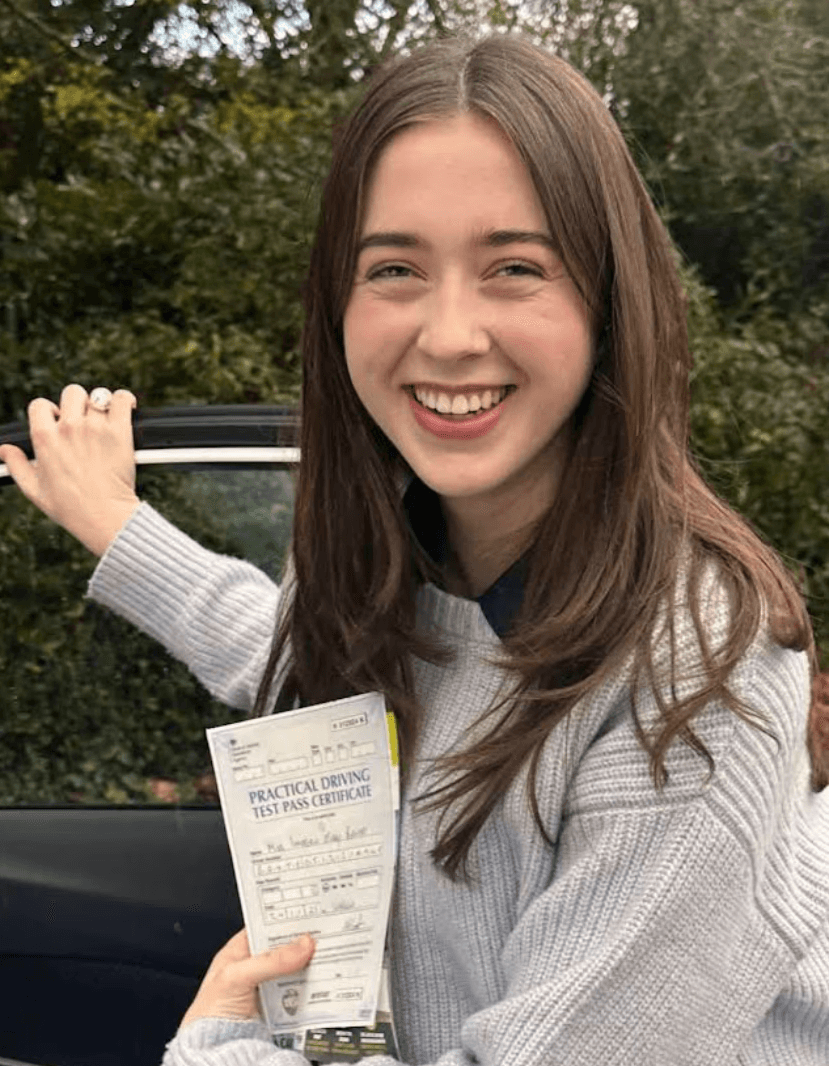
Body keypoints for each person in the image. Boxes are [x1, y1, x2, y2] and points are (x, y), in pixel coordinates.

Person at [1, 31, 828, 1066]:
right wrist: (115, 524)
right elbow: (302, 663)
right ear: (336, 305)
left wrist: (219, 1044)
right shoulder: (397, 557)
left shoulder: (695, 681)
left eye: (514, 267)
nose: (446, 335)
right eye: (393, 266)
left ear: (610, 305)